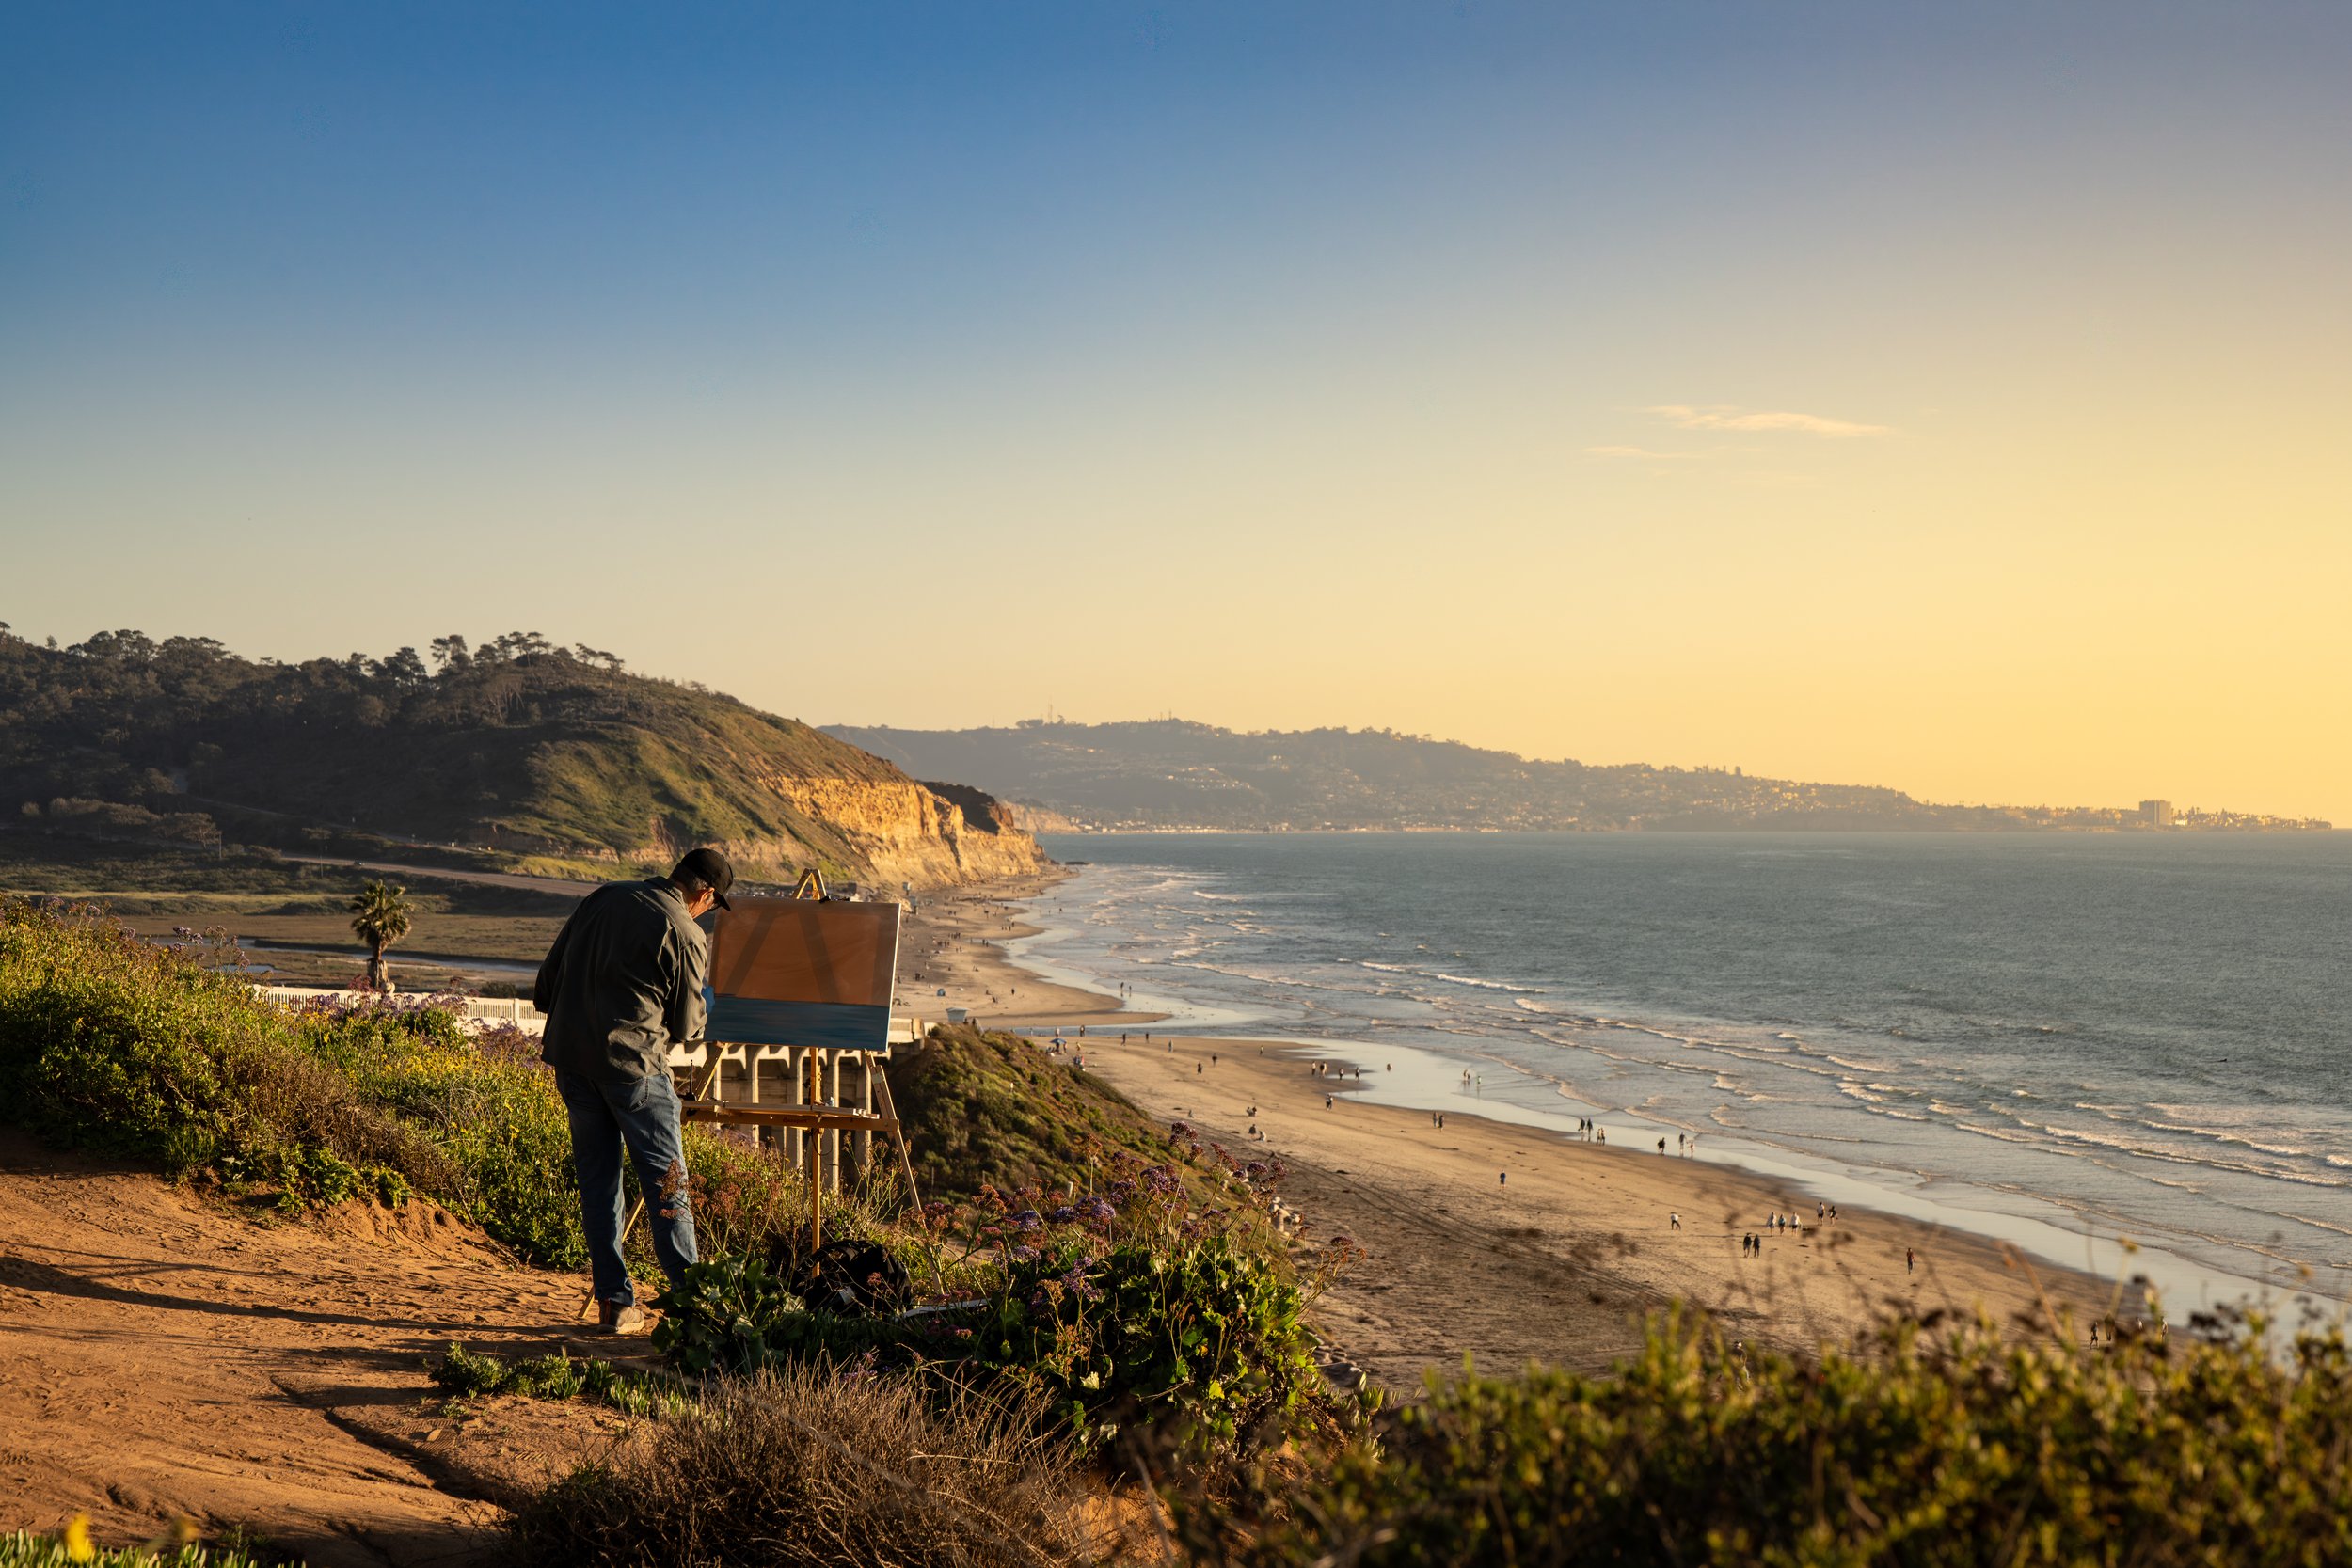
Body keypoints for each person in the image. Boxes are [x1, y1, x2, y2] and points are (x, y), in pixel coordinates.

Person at [535, 847, 733, 1335]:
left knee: (599, 1184)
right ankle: (692, 1312)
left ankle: (615, 1304)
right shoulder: (686, 932)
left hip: (574, 1064)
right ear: (704, 893)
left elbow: (545, 987)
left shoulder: (603, 898)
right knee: (670, 1188)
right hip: (636, 1073)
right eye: (711, 904)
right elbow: (688, 1028)